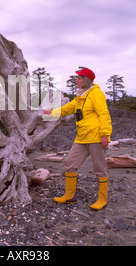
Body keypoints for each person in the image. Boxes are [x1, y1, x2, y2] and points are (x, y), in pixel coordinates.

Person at [43, 68, 112, 210]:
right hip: (82, 137)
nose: (76, 80)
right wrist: (51, 113)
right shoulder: (81, 96)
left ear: (86, 80)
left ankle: (102, 199)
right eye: (77, 78)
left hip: (96, 137)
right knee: (70, 162)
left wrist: (105, 134)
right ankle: (70, 196)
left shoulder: (96, 94)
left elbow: (104, 114)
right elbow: (68, 108)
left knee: (99, 168)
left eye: (79, 78)